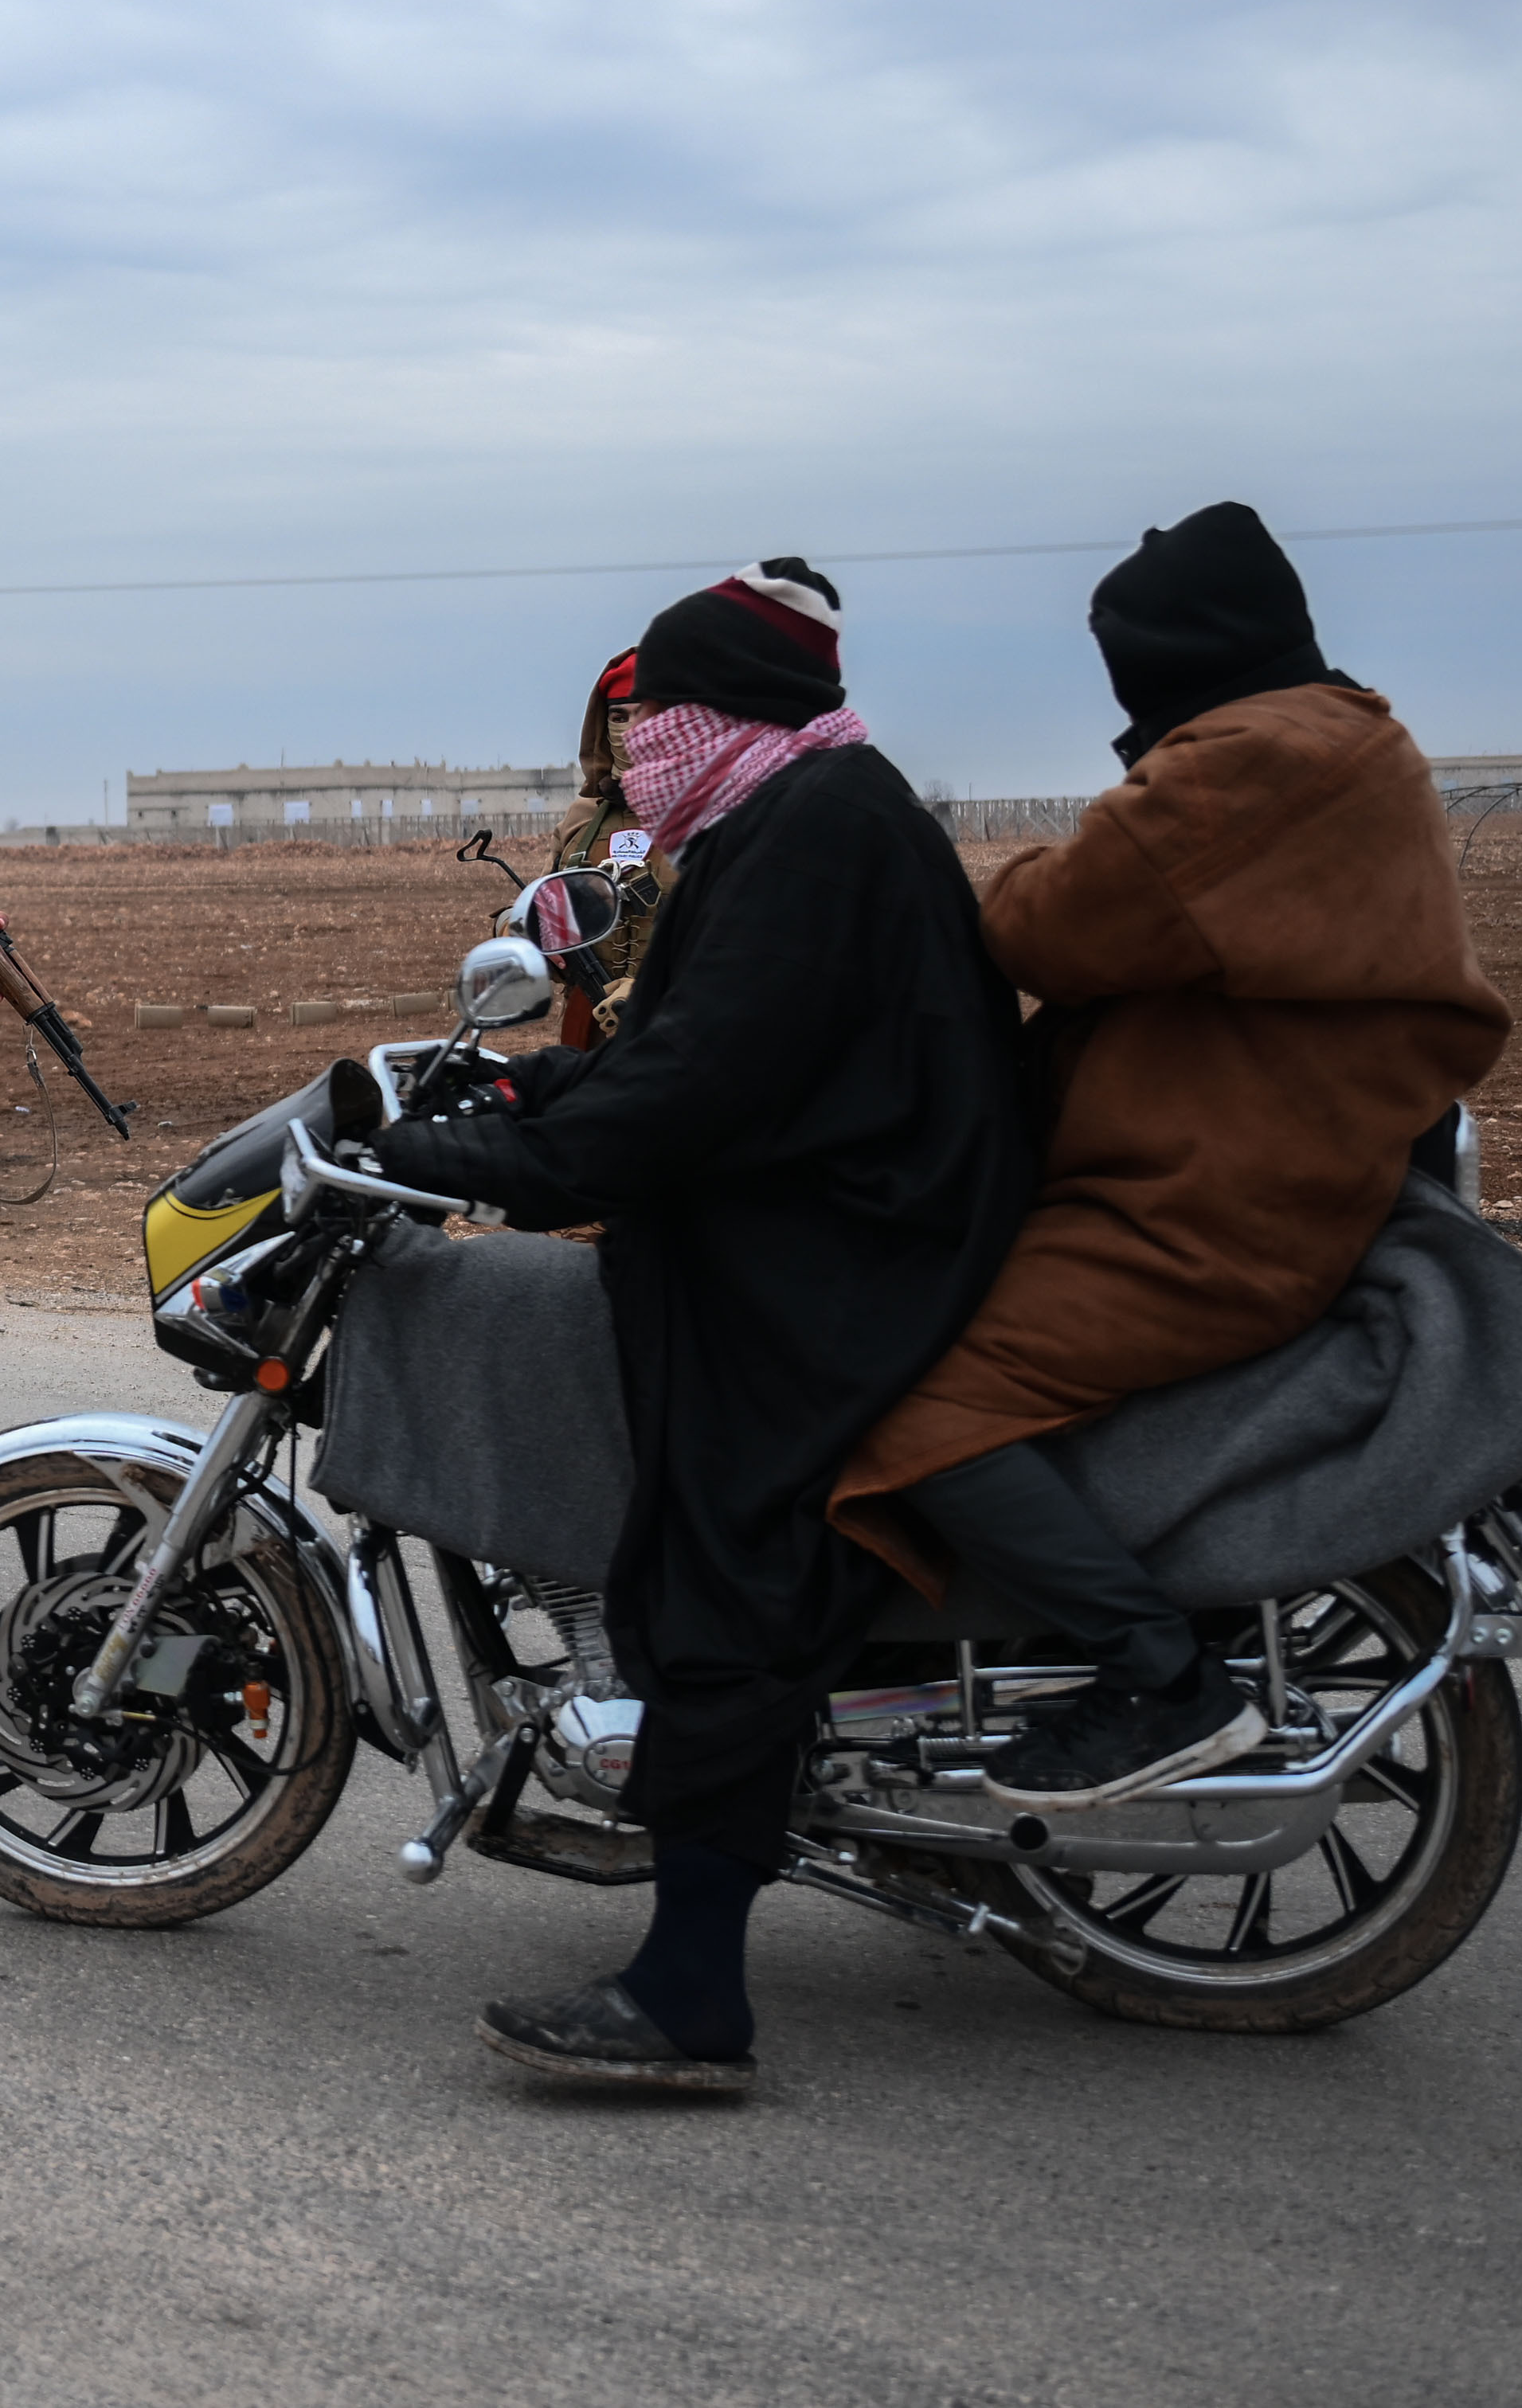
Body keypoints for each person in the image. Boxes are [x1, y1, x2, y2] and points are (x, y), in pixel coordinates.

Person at [368, 560, 1034, 2091]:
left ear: (725, 704)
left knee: (720, 1573)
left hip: (838, 1262)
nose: (639, 732)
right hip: (838, 1220)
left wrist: (486, 1162)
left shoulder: (810, 833)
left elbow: (699, 1087)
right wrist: (525, 1089)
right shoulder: (794, 811)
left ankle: (688, 1992)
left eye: (659, 702)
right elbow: (695, 1044)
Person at [835, 502, 1511, 1810]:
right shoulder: (1335, 732)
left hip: (1200, 1206)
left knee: (914, 1411)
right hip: (1236, 1172)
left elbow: (1043, 923)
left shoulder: (1248, 761)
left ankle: (1156, 1678)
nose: (629, 748)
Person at [543, 648, 671, 1046]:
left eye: (644, 715)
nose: (630, 729)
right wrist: (529, 931)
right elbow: (544, 902)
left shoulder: (714, 816)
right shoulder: (582, 819)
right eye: (618, 717)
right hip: (590, 1024)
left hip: (684, 1024)